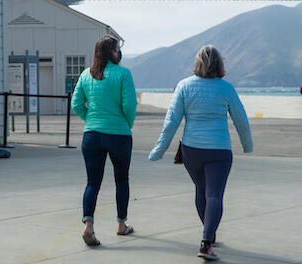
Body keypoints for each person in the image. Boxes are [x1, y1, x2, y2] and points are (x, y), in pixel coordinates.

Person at [149, 45, 253, 261]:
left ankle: (209, 232)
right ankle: (206, 242)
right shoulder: (226, 88)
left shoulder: (184, 86)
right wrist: (247, 145)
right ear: (219, 64)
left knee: (201, 190)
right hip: (219, 150)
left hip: (191, 150)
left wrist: (159, 150)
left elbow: (171, 122)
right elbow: (241, 120)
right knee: (214, 195)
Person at [71, 35, 137, 247]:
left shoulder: (86, 75)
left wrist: (89, 119)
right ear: (112, 52)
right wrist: (126, 123)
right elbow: (129, 105)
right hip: (118, 134)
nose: (120, 53)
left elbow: (76, 104)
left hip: (91, 135)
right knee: (121, 180)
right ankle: (121, 225)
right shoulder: (123, 74)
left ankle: (88, 226)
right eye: (117, 49)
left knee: (92, 182)